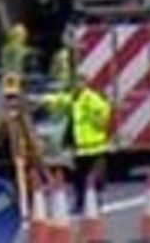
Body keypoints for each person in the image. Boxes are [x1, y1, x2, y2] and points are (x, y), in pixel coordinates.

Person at [46, 79, 112, 213]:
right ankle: (81, 202)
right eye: (75, 84)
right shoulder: (76, 99)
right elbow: (60, 100)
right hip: (81, 148)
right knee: (79, 177)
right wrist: (40, 99)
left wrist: (98, 121)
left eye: (79, 83)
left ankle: (95, 201)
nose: (76, 86)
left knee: (95, 176)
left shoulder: (91, 99)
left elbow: (104, 112)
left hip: (95, 146)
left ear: (85, 84)